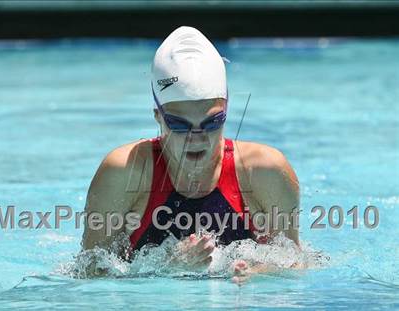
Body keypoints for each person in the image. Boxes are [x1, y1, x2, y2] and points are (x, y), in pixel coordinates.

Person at [82, 26, 300, 281]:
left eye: (212, 122)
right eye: (179, 124)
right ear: (157, 116)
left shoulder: (265, 171)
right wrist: (166, 270)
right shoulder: (123, 172)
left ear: (227, 111)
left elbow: (297, 264)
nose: (196, 138)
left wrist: (258, 273)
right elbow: (88, 274)